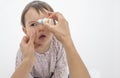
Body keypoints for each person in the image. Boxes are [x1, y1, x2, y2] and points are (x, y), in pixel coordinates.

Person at [11, 0, 90, 78]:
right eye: (33, 24)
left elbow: (61, 70)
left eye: (46, 21)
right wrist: (27, 60)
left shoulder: (58, 45)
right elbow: (23, 74)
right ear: (25, 31)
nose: (41, 28)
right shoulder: (24, 51)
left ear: (55, 25)